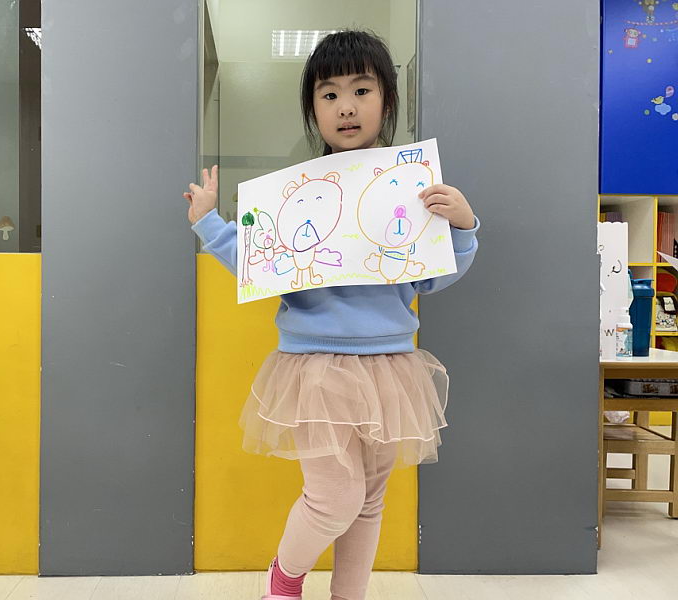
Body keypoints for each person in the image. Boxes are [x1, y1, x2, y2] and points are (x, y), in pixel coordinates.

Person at [183, 29, 479, 600]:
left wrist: (463, 229)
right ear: (313, 109)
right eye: (329, 94)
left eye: (362, 90)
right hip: (317, 367)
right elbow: (263, 262)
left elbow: (429, 278)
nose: (346, 106)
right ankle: (283, 581)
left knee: (368, 502)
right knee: (335, 498)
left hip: (390, 365)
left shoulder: (409, 188)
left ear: (386, 101)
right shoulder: (298, 191)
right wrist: (210, 225)